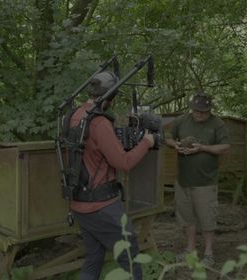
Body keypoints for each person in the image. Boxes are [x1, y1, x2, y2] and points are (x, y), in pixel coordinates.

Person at [67, 71, 155, 280]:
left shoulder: (75, 115)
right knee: (131, 258)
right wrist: (147, 142)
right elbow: (123, 163)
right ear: (110, 97)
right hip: (101, 205)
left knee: (94, 258)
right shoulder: (99, 123)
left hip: (79, 201)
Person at [165, 92, 230, 267]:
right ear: (191, 108)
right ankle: (190, 251)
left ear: (209, 110)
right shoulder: (182, 120)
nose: (199, 114)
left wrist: (202, 148)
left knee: (207, 218)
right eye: (196, 111)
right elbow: (167, 138)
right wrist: (176, 145)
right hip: (184, 180)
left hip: (205, 182)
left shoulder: (217, 124)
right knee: (187, 218)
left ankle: (208, 254)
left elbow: (224, 147)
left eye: (203, 111)